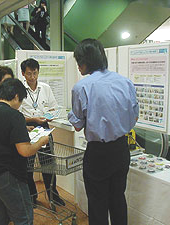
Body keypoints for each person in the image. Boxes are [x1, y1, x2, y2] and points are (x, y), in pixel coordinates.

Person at [68, 39, 139, 225]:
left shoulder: (81, 87)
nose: (78, 66)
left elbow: (77, 125)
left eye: (79, 61)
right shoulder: (125, 82)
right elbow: (134, 118)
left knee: (98, 203)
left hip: (98, 153)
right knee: (118, 199)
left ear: (85, 61)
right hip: (121, 150)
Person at [0, 78, 49, 225]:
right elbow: (25, 151)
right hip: (8, 176)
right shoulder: (15, 115)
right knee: (23, 217)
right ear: (16, 96)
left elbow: (0, 134)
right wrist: (41, 142)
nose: (20, 104)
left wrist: (22, 130)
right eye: (21, 100)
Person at [19, 58, 65, 206]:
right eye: (29, 74)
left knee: (48, 163)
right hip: (27, 127)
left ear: (38, 72)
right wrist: (32, 119)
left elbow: (54, 106)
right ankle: (31, 196)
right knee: (28, 164)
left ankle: (53, 195)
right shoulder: (19, 89)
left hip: (44, 127)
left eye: (35, 73)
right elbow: (16, 114)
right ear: (23, 74)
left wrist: (51, 115)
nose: (32, 77)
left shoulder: (45, 88)